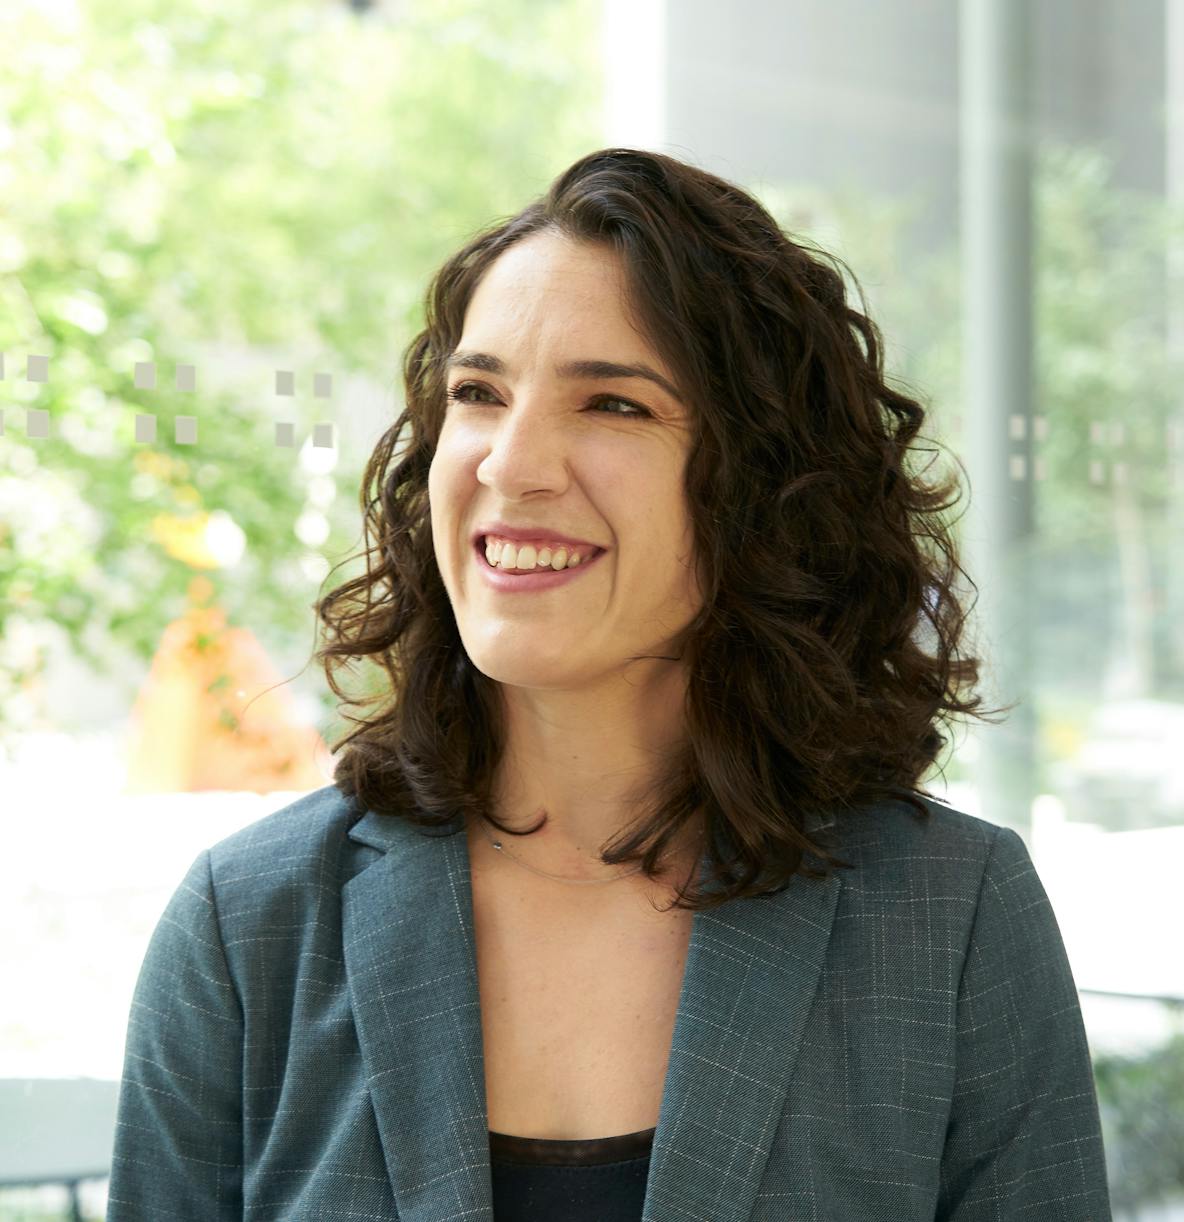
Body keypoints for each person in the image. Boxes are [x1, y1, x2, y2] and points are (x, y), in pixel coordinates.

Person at [106, 147, 1112, 1221]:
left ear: (763, 490)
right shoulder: (249, 924)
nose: (512, 463)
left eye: (615, 406)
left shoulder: (949, 919)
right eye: (479, 393)